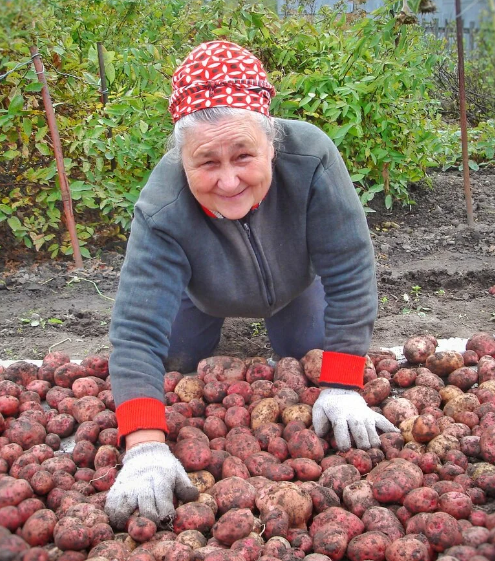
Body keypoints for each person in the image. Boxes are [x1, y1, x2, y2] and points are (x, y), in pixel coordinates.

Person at [104, 40, 399, 527]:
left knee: (308, 353)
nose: (227, 181)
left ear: (272, 144)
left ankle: (305, 338)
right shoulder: (162, 207)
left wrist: (344, 382)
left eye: (243, 156)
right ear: (182, 158)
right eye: (206, 162)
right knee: (178, 364)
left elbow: (349, 267)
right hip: (199, 290)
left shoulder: (311, 158)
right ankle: (199, 318)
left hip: (294, 283)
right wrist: (144, 445)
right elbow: (136, 331)